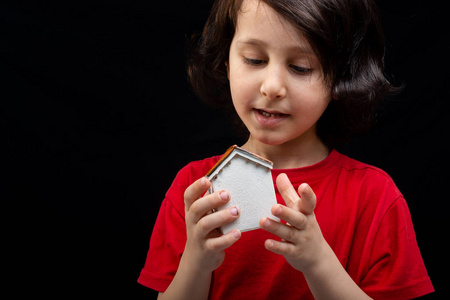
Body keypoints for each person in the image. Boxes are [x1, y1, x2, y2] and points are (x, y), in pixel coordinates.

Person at [138, 0, 434, 298]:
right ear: (226, 62)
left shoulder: (375, 196)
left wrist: (317, 261)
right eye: (254, 60)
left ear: (340, 78)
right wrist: (197, 261)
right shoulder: (194, 189)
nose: (272, 87)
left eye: (300, 67)